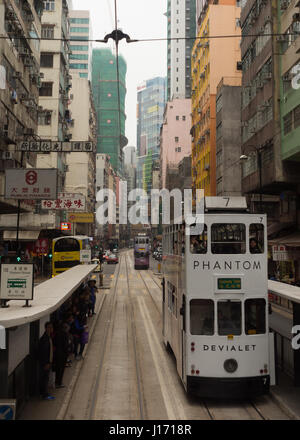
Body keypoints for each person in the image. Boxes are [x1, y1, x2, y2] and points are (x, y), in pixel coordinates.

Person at [38, 321, 55, 400]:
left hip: (48, 362)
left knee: (46, 377)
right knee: (44, 378)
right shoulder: (44, 339)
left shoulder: (48, 337)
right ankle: (44, 394)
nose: (51, 329)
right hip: (46, 363)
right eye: (49, 327)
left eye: (51, 327)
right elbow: (43, 352)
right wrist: (46, 363)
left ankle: (44, 393)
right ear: (46, 328)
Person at [53, 322, 69, 388]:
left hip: (57, 353)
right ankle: (59, 383)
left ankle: (57, 382)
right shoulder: (65, 334)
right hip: (62, 354)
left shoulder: (57, 333)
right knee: (61, 369)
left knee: (58, 369)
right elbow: (65, 346)